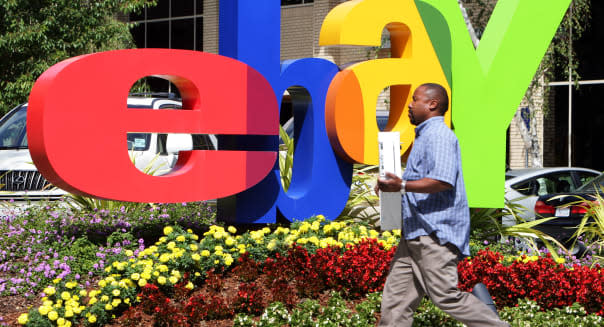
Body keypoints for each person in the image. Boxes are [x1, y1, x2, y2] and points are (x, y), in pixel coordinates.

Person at [374, 83, 509, 327]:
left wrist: (401, 185)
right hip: (415, 235)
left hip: (434, 236)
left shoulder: (439, 136)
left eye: (415, 99)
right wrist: (391, 186)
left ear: (432, 104)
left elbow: (442, 180)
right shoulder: (426, 135)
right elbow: (420, 181)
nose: (409, 105)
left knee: (446, 296)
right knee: (396, 303)